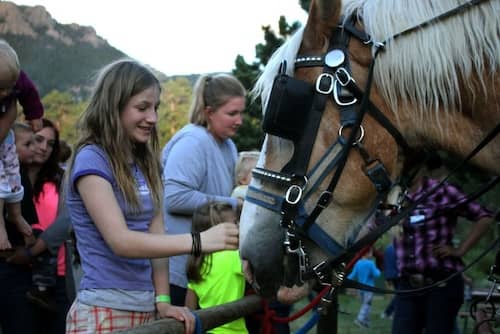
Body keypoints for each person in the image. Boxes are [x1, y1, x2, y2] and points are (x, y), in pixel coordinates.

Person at [64, 59, 239, 334]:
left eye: (155, 108)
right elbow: (121, 241)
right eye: (142, 108)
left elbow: (157, 238)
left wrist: (163, 301)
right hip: (104, 310)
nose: (153, 118)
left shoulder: (146, 163)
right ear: (114, 105)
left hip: (147, 310)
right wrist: (198, 241)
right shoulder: (91, 160)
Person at [162, 73, 245, 306]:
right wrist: (233, 204)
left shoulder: (228, 145)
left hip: (209, 270)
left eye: (241, 113)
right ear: (209, 112)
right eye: (232, 113)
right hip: (179, 273)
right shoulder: (192, 141)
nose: (239, 120)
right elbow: (175, 198)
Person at [391, 155, 494, 334]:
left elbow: (484, 217)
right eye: (400, 163)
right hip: (407, 285)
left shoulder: (442, 191)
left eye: (410, 163)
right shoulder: (394, 196)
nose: (404, 168)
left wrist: (460, 250)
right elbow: (370, 227)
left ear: (423, 165)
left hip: (441, 283)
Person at [0, 39, 44, 254]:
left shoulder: (18, 81)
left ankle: (15, 213)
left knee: (13, 173)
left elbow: (30, 94)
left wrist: (34, 115)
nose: (5, 93)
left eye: (9, 88)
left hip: (6, 138)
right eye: (0, 88)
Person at [185, 202, 248, 334]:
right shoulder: (234, 257)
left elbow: (189, 307)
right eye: (235, 223)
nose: (240, 227)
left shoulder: (197, 262)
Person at [347, 248, 381, 328]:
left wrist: (345, 280)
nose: (372, 254)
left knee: (366, 305)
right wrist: (377, 269)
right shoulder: (371, 263)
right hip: (369, 288)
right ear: (368, 253)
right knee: (366, 304)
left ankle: (366, 322)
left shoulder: (358, 263)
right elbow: (377, 275)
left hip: (360, 288)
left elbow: (353, 274)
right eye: (371, 252)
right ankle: (359, 319)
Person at [381, 242, 398, 319]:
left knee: (398, 294)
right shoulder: (399, 247)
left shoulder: (388, 248)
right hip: (397, 274)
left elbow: (385, 262)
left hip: (390, 274)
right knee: (400, 295)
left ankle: (389, 312)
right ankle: (389, 312)